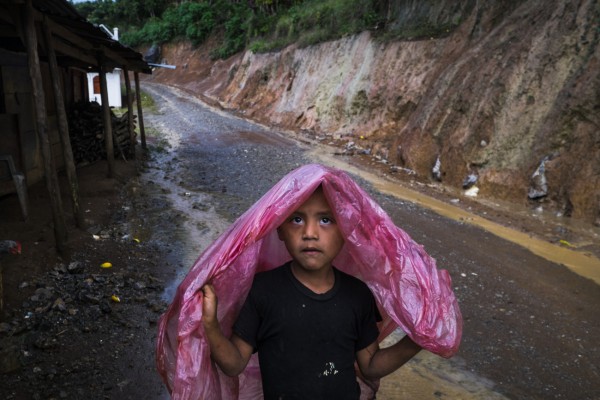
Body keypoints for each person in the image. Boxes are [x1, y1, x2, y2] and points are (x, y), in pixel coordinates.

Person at [201, 186, 422, 399]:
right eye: (296, 219)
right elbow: (235, 364)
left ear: (345, 229)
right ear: (279, 228)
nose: (309, 233)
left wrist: (417, 341)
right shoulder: (263, 291)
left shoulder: (358, 296)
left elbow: (371, 365)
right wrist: (210, 325)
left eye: (325, 220)